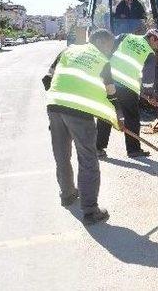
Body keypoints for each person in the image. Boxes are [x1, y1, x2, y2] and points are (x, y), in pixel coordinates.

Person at [42, 29, 117, 225]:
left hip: (54, 106)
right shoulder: (102, 61)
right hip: (79, 113)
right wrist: (117, 120)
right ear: (100, 42)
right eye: (109, 46)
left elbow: (47, 79)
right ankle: (91, 211)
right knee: (88, 160)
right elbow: (111, 95)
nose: (110, 51)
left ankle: (67, 195)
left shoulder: (68, 51)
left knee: (61, 154)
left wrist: (60, 99)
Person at [96, 28, 158, 158]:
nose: (157, 46)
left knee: (106, 114)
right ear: (151, 38)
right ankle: (133, 150)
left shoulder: (124, 36)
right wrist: (149, 94)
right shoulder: (149, 53)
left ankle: (97, 148)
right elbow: (148, 79)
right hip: (128, 88)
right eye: (157, 43)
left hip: (110, 82)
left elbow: (108, 50)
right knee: (132, 118)